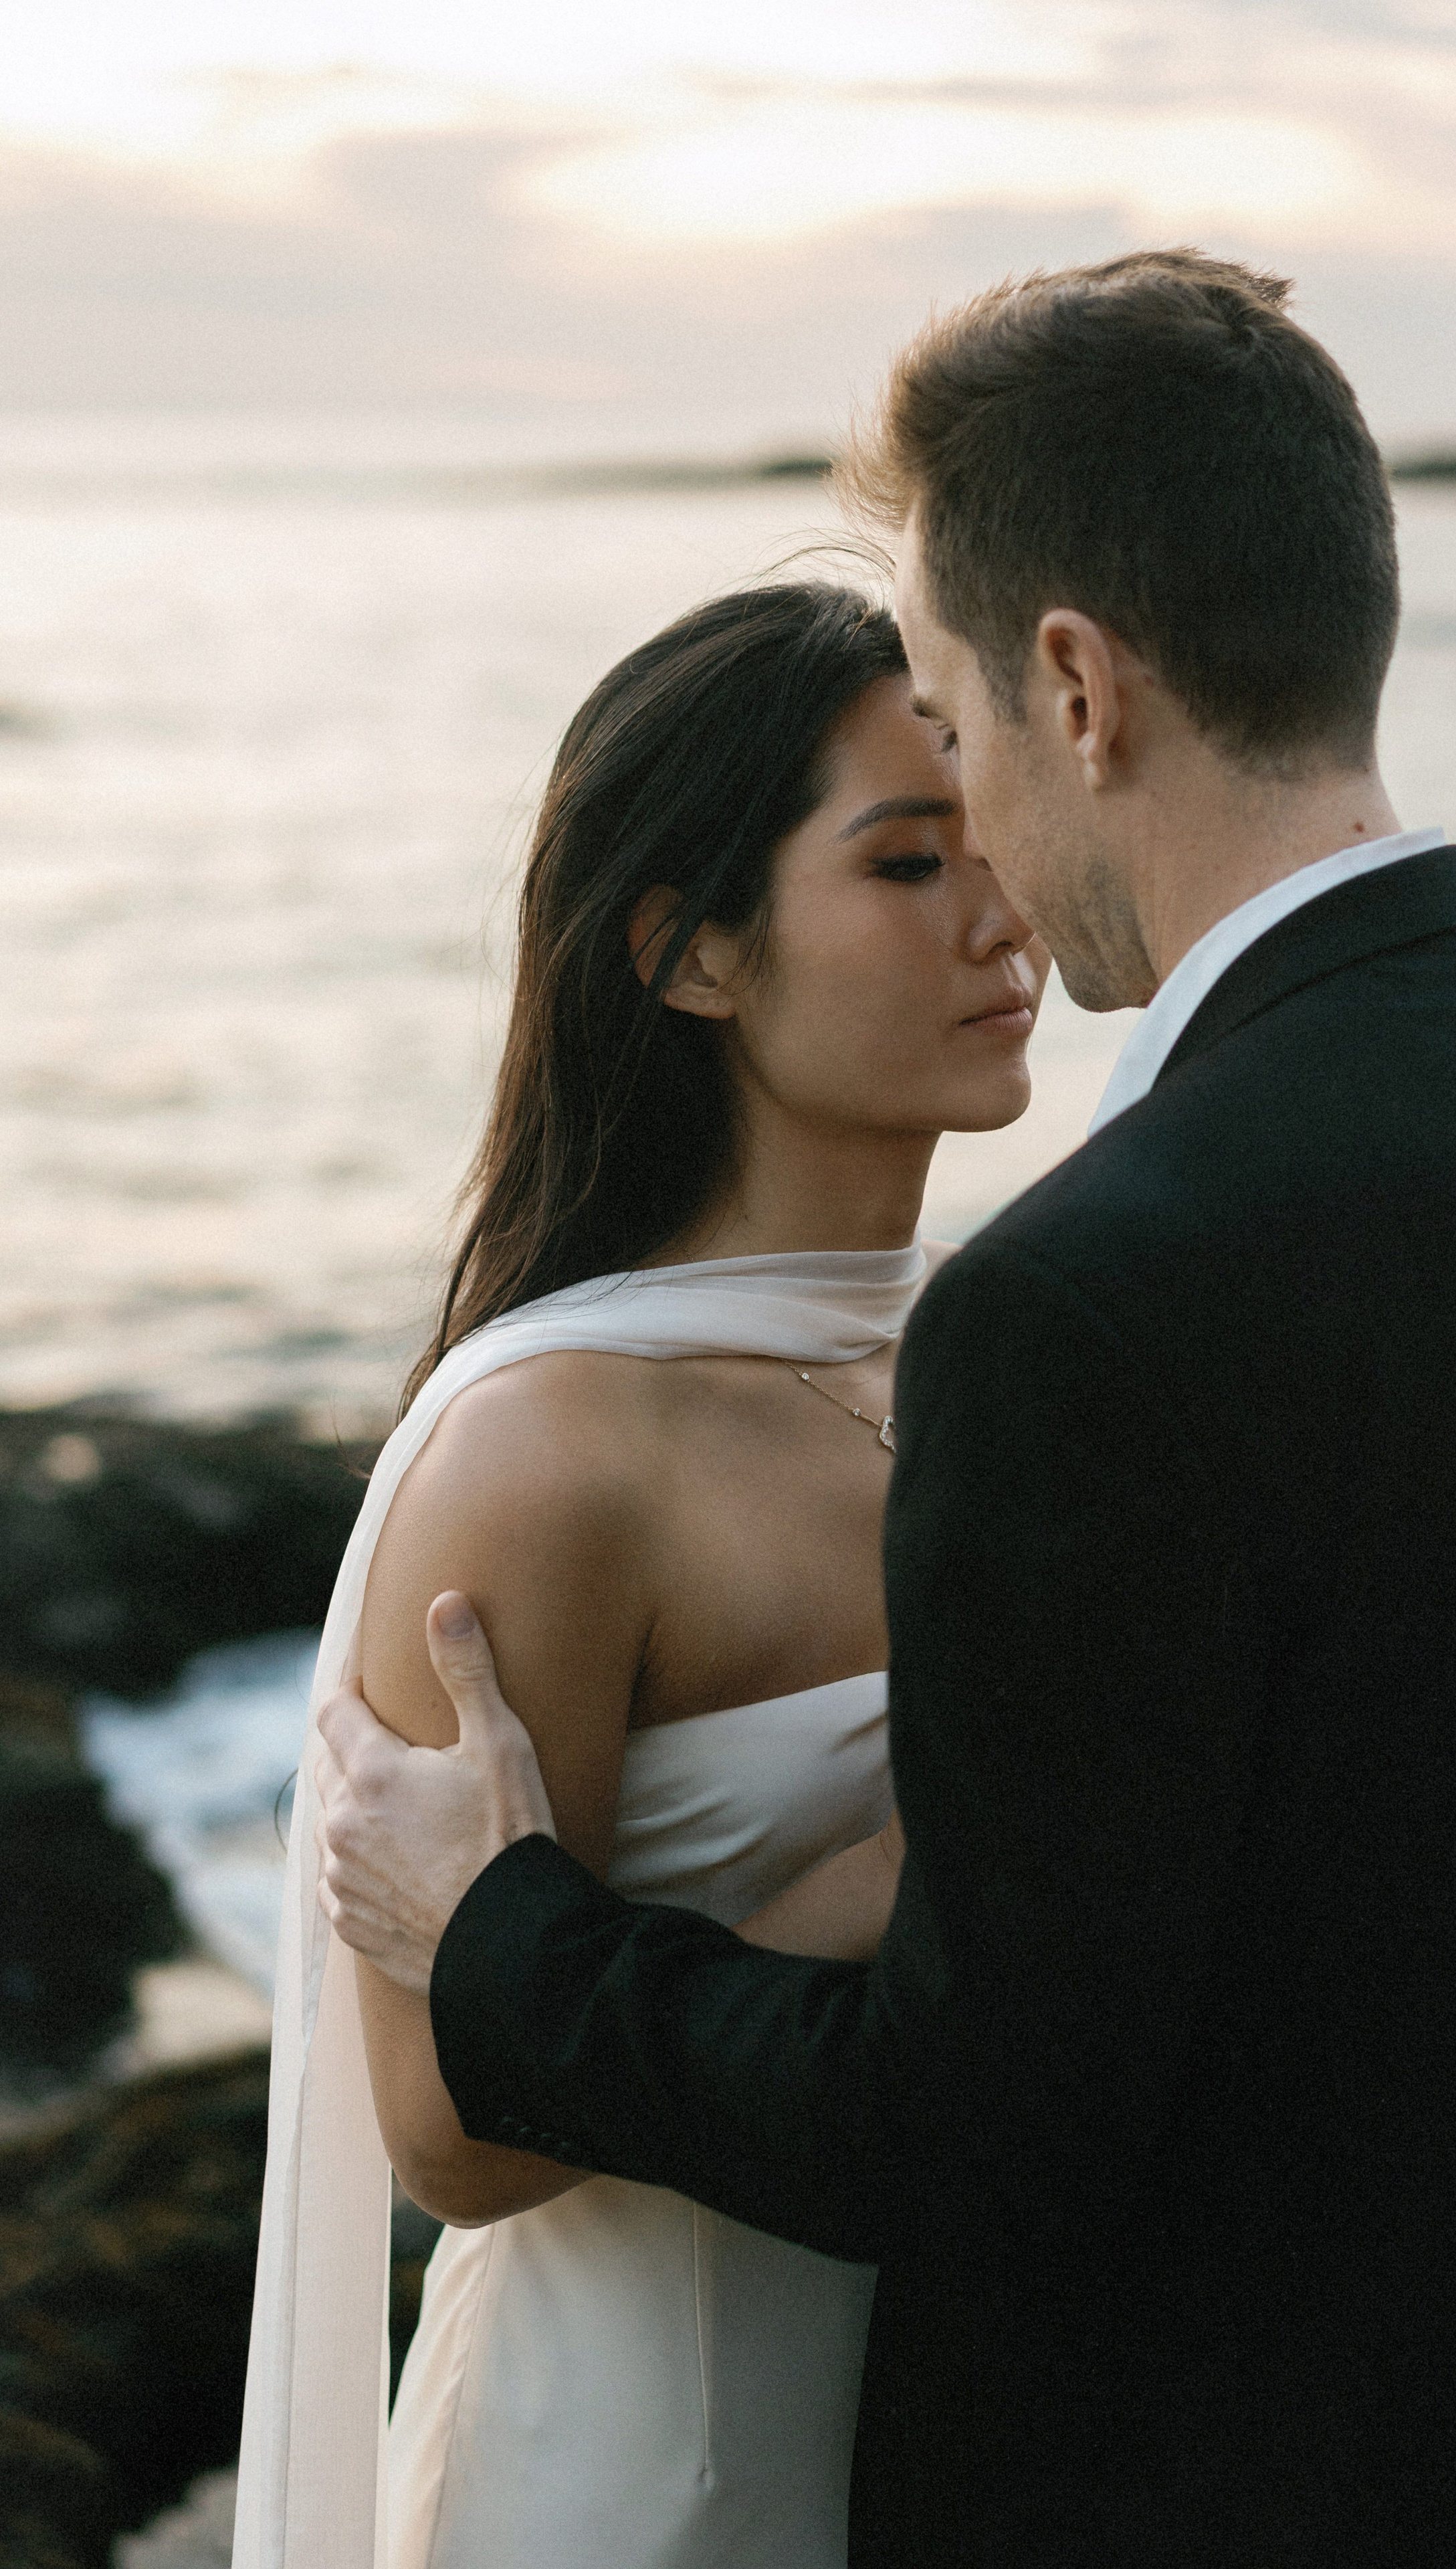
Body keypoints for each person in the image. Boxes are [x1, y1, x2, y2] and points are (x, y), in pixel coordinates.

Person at [320, 251, 1456, 2569]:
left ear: (1071, 684)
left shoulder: (1086, 1299)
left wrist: (515, 1939)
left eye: (954, 729)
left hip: (1137, 2482)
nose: (973, 844)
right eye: (901, 831)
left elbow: (996, 2102)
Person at [231, 579, 1045, 2569]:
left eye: (998, 839)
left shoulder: (991, 1353)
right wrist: (887, 1882)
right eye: (909, 862)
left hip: (968, 2435)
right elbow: (450, 2135)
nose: (1001, 915)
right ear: (689, 955)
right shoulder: (555, 1452)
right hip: (645, 2480)